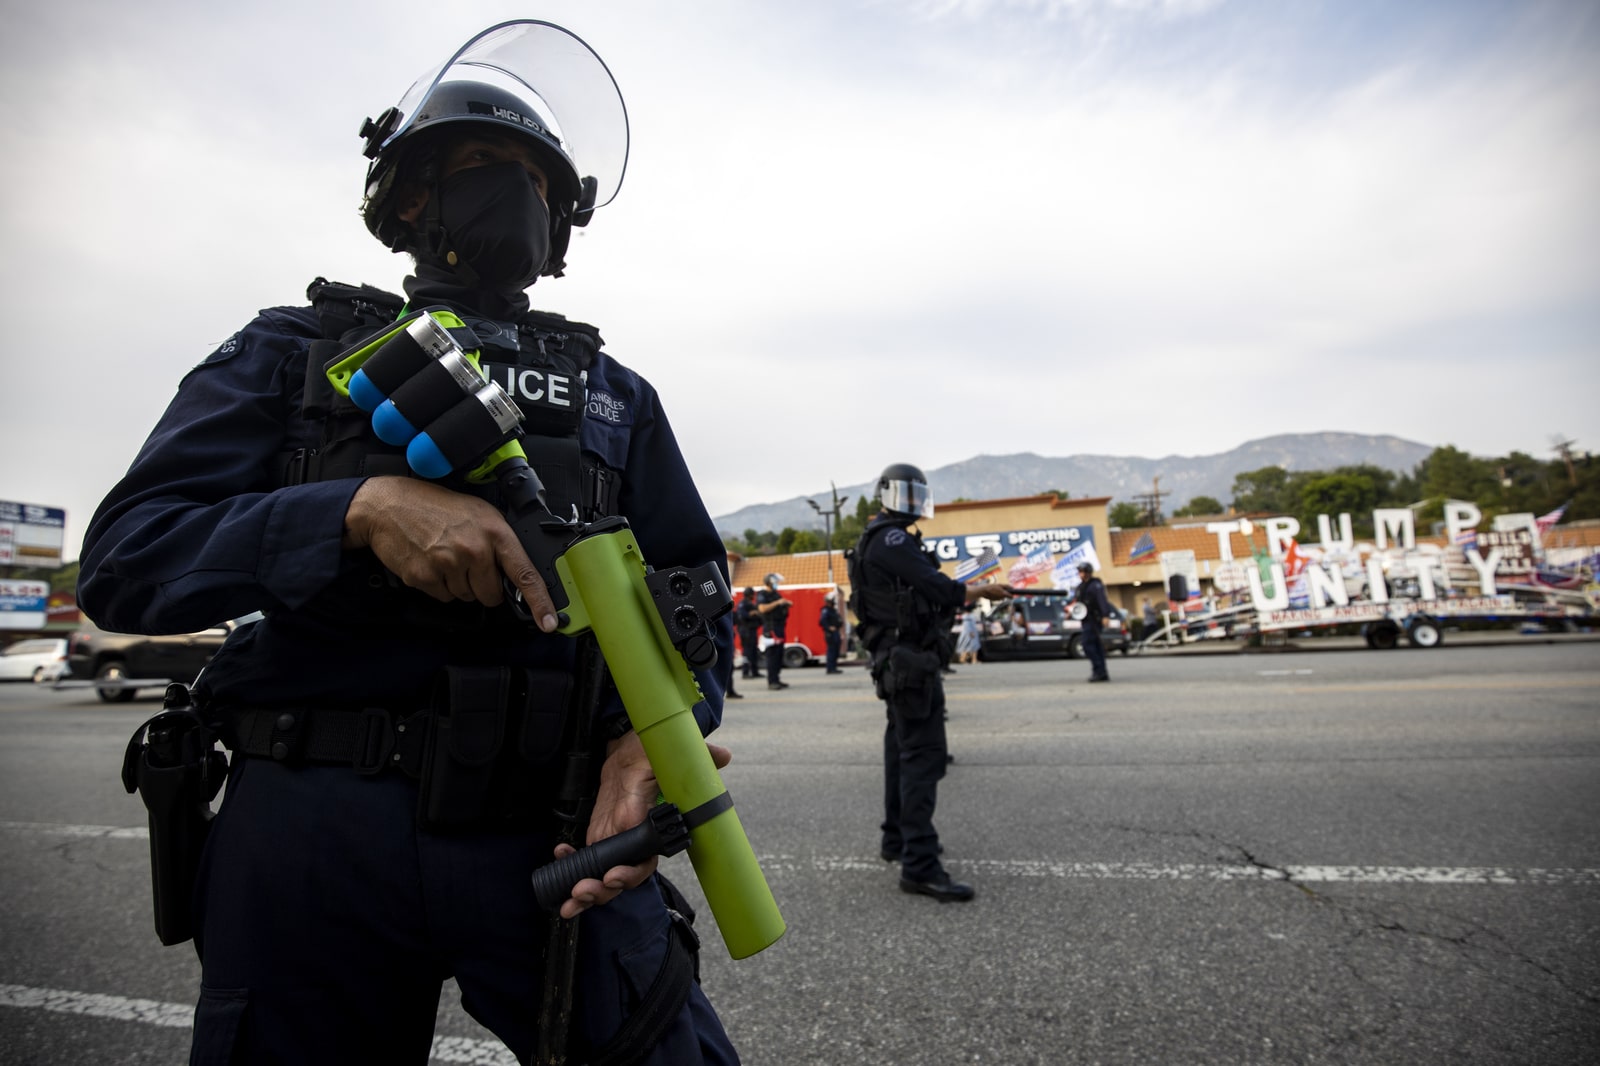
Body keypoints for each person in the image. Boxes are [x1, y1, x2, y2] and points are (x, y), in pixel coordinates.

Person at [79, 22, 739, 1065]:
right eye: (481, 164)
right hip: (316, 822)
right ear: (410, 198)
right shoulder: (288, 357)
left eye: (533, 176)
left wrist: (648, 741)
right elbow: (124, 561)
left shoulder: (615, 399)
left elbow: (697, 595)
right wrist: (353, 512)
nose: (510, 190)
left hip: (557, 823)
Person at [851, 463, 1009, 902]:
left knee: (900, 751)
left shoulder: (881, 537)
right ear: (886, 494)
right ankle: (919, 865)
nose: (913, 500)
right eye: (905, 491)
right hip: (910, 663)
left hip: (898, 660)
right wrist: (982, 590)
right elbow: (938, 588)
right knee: (923, 756)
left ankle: (897, 840)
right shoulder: (893, 538)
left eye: (916, 491)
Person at [1072, 561, 1114, 682]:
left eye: (1084, 571)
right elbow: (1078, 603)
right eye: (1080, 571)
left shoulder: (1095, 585)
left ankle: (1099, 671)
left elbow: (1102, 600)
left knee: (1088, 645)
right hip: (1085, 619)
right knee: (1095, 646)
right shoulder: (1080, 587)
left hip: (1094, 620)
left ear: (1089, 572)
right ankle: (1101, 672)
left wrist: (1105, 615)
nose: (1082, 574)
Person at [755, 573, 792, 689]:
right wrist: (778, 603)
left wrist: (786, 603)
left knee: (779, 655)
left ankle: (777, 679)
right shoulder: (762, 594)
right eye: (775, 583)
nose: (777, 585)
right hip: (771, 629)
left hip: (780, 627)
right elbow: (762, 608)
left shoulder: (775, 594)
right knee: (772, 655)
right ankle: (772, 682)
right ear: (770, 582)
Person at [735, 587, 764, 680]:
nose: (754, 596)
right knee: (747, 653)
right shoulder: (742, 604)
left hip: (752, 631)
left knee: (754, 652)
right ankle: (745, 672)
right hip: (745, 631)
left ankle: (755, 672)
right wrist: (751, 613)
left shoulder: (751, 604)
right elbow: (741, 615)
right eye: (752, 594)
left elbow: (759, 617)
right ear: (750, 595)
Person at [820, 591, 844, 673]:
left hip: (836, 632)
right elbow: (822, 621)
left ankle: (834, 667)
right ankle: (830, 668)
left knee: (836, 650)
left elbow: (838, 620)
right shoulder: (826, 610)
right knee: (832, 650)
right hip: (830, 634)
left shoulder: (833, 610)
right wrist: (829, 627)